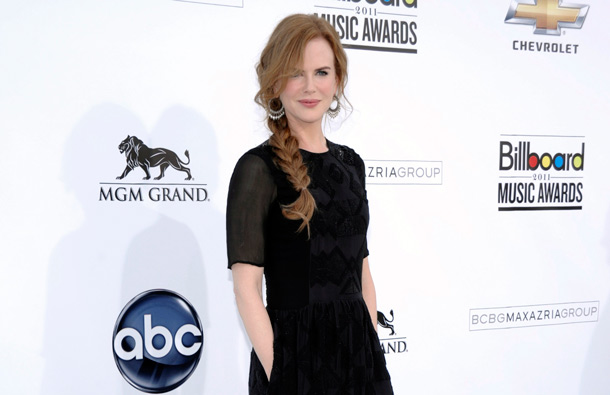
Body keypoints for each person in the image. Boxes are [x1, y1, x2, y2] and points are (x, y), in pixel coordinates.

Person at [226, 13, 394, 395]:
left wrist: (371, 351)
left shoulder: (351, 164)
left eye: (321, 72)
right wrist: (283, 376)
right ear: (275, 82)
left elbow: (361, 270)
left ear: (337, 80)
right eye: (295, 72)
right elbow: (246, 287)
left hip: (359, 356)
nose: (309, 86)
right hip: (293, 360)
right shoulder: (258, 168)